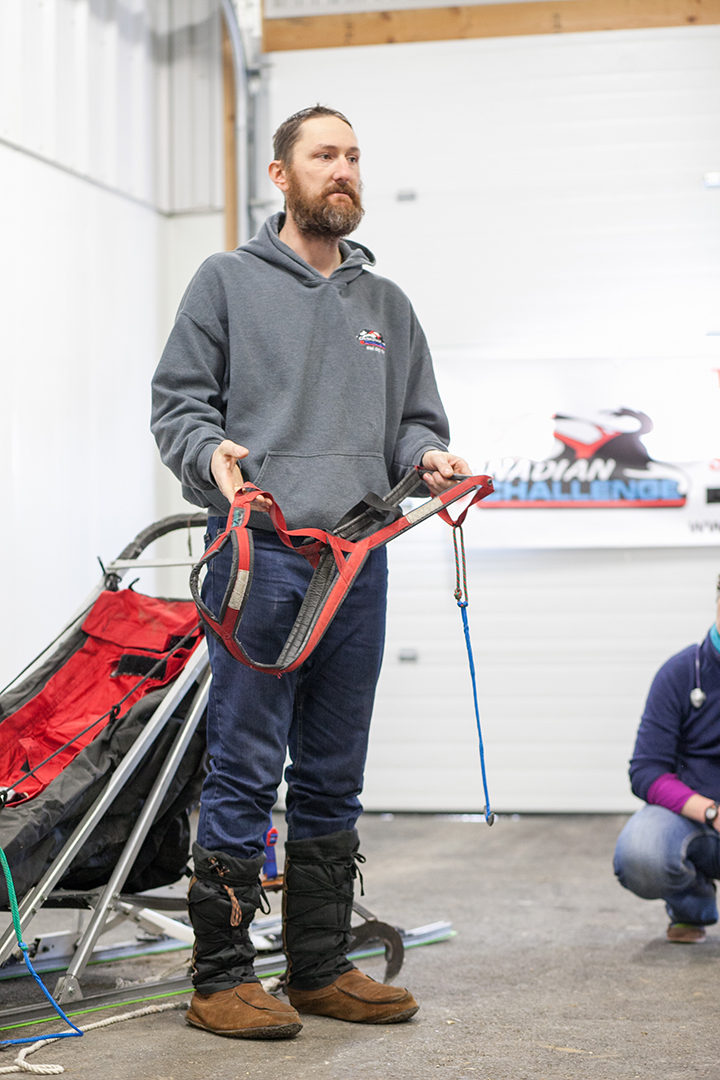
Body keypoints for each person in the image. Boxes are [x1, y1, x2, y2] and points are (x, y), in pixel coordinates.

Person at [151, 105, 470, 1039]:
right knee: (246, 769)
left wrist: (430, 462)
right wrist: (209, 455)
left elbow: (416, 424)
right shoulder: (225, 283)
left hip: (356, 566)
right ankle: (219, 980)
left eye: (355, 157)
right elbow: (178, 406)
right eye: (325, 156)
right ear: (281, 177)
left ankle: (321, 969)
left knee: (333, 773)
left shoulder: (387, 305)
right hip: (260, 561)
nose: (345, 171)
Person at [614, 580, 720, 943]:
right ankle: (692, 907)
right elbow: (646, 771)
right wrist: (711, 812)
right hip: (694, 816)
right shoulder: (679, 673)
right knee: (642, 854)